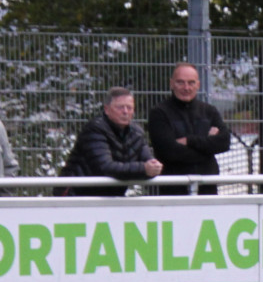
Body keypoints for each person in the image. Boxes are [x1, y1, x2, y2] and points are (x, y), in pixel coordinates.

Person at [56, 87, 163, 196]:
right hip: (76, 195)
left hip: (111, 197)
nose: (125, 112)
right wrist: (143, 168)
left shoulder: (137, 133)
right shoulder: (95, 129)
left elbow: (149, 163)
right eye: (120, 107)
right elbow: (105, 167)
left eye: (129, 108)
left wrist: (154, 167)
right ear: (106, 109)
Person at [147, 62, 232, 195]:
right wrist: (208, 148)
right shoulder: (159, 113)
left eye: (191, 83)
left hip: (207, 189)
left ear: (198, 85)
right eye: (180, 82)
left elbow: (224, 143)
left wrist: (190, 141)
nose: (186, 87)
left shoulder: (209, 111)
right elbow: (169, 152)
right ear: (171, 84)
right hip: (173, 191)